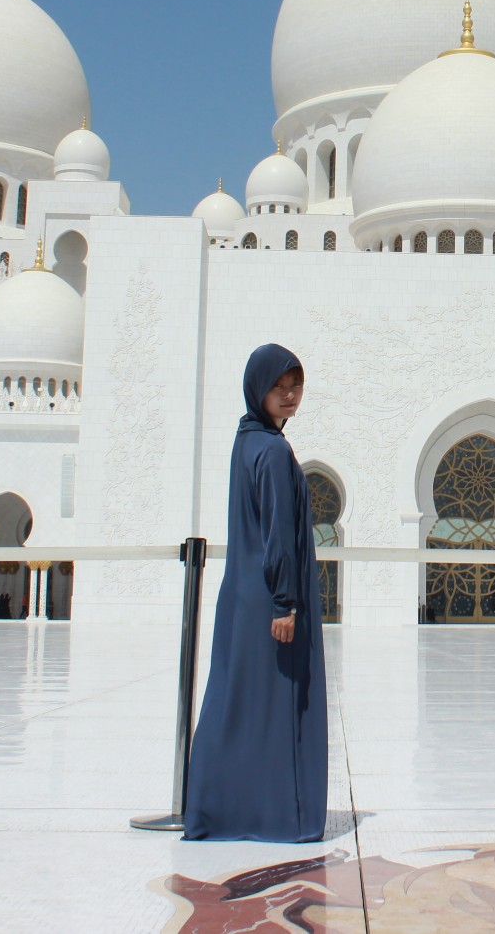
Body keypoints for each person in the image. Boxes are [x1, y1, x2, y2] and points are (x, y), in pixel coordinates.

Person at [182, 343, 327, 843]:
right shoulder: (269, 450)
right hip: (270, 600)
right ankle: (274, 815)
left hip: (243, 596)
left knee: (237, 705)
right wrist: (286, 601)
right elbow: (277, 534)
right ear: (257, 390)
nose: (289, 396)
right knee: (272, 708)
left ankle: (216, 809)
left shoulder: (247, 440)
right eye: (279, 387)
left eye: (295, 386)